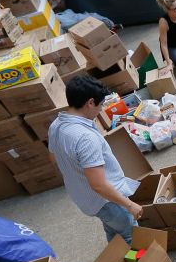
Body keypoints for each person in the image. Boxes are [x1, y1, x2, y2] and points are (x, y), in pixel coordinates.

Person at [48, 75, 142, 244]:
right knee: (131, 235)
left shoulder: (56, 125)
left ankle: (116, 261)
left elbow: (54, 159)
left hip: (84, 197)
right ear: (90, 103)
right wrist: (129, 205)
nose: (101, 109)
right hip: (106, 201)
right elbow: (98, 185)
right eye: (100, 104)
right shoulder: (85, 138)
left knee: (114, 231)